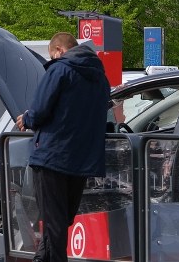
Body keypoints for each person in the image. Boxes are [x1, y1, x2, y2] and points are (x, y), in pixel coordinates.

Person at [15, 32, 111, 262]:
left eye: (52, 55)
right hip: (82, 159)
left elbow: (40, 110)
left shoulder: (59, 69)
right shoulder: (101, 78)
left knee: (54, 222)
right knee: (60, 220)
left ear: (58, 51)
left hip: (52, 156)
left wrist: (26, 119)